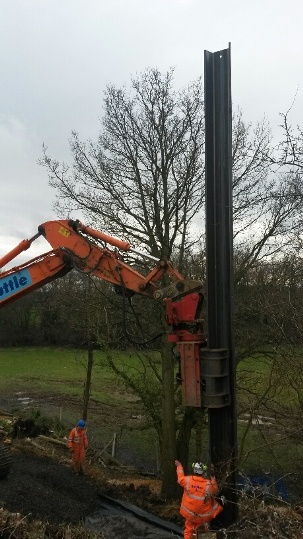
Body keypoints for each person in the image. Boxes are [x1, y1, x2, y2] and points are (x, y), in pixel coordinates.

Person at [175, 460, 223, 538]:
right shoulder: (208, 484)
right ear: (203, 472)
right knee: (203, 531)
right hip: (203, 515)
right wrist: (213, 479)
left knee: (188, 530)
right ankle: (201, 531)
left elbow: (180, 479)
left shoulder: (188, 480)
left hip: (190, 513)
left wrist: (179, 466)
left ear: (194, 470)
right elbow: (215, 490)